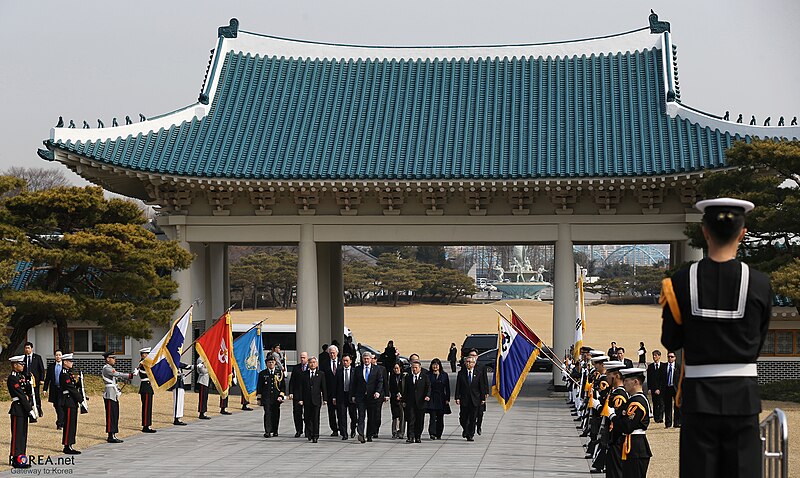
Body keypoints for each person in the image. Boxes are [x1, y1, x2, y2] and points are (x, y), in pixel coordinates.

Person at [661, 197, 771, 478]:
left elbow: (670, 341)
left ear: (705, 231)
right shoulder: (760, 283)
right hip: (743, 399)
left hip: (699, 399)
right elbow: (758, 342)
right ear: (743, 233)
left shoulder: (680, 282)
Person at [617, 368, 652, 478]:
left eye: (626, 381)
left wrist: (612, 416)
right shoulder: (633, 399)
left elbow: (627, 426)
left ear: (636, 382)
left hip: (636, 447)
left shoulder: (637, 401)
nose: (624, 383)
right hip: (632, 446)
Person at [7, 355, 36, 469]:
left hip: (23, 409)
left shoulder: (21, 376)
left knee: (23, 435)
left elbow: (28, 393)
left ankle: (21, 457)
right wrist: (30, 410)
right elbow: (20, 395)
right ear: (15, 365)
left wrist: (30, 383)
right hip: (18, 408)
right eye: (21, 364)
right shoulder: (12, 378)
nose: (23, 366)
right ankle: (15, 458)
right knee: (17, 435)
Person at [101, 352, 133, 443]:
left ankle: (113, 433)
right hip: (110, 394)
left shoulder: (110, 368)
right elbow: (117, 374)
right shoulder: (107, 368)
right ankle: (111, 435)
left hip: (113, 393)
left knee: (115, 414)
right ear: (107, 359)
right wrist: (130, 375)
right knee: (111, 415)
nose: (114, 359)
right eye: (113, 357)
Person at [455, 356, 488, 441]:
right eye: (467, 362)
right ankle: (465, 429)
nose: (468, 364)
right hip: (464, 398)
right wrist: (457, 397)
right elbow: (458, 386)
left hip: (475, 399)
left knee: (473, 418)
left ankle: (470, 434)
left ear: (474, 364)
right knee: (463, 417)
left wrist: (483, 398)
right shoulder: (461, 373)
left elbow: (481, 387)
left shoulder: (478, 373)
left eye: (470, 362)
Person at [353, 351, 383, 443]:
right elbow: (354, 383)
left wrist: (378, 392)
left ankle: (369, 435)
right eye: (364, 358)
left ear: (371, 359)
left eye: (368, 359)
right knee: (361, 416)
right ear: (362, 359)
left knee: (371, 416)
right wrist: (353, 395)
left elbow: (380, 381)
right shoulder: (358, 369)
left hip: (372, 397)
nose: (366, 360)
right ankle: (361, 434)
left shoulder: (377, 369)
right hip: (361, 396)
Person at [59, 354, 84, 455]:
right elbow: (71, 389)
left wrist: (80, 381)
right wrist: (81, 400)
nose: (72, 363)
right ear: (65, 362)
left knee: (72, 424)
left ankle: (70, 444)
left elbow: (74, 386)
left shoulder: (69, 373)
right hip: (68, 401)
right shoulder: (64, 374)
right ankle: (67, 445)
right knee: (69, 424)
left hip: (72, 401)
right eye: (70, 361)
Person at [256, 355, 286, 438]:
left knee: (276, 414)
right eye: (269, 362)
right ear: (266, 364)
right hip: (266, 397)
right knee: (267, 414)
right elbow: (259, 386)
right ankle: (267, 431)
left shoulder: (279, 373)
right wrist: (259, 398)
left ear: (275, 363)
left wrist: (281, 396)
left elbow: (283, 386)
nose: (271, 364)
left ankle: (275, 430)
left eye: (272, 362)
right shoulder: (263, 373)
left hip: (276, 398)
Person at [299, 356, 326, 443]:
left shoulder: (321, 374)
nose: (312, 364)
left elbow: (323, 387)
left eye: (314, 362)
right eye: (311, 362)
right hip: (307, 400)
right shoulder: (304, 374)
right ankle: (309, 432)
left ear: (317, 364)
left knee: (315, 418)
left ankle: (315, 435)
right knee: (307, 418)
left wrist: (325, 398)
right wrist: (300, 399)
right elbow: (301, 388)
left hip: (316, 400)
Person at [402, 361, 431, 443]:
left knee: (419, 420)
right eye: (413, 368)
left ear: (420, 368)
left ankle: (418, 436)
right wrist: (404, 400)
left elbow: (428, 387)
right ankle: (410, 436)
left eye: (416, 368)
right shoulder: (408, 377)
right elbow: (406, 390)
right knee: (411, 419)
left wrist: (427, 396)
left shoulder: (425, 377)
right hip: (411, 402)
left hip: (421, 402)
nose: (414, 369)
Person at [333, 354, 357, 440]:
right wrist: (334, 397)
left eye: (347, 361)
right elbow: (335, 385)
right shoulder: (339, 371)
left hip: (351, 397)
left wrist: (355, 396)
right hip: (341, 396)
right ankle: (344, 433)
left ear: (350, 361)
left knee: (353, 415)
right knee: (342, 415)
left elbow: (357, 385)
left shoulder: (355, 371)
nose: (345, 362)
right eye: (344, 361)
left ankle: (353, 429)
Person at [426, 358, 450, 440]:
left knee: (440, 417)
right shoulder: (428, 375)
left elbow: (447, 388)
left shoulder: (444, 375)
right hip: (432, 397)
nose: (435, 366)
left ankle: (439, 433)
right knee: (432, 416)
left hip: (441, 398)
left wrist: (447, 398)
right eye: (433, 364)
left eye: (437, 364)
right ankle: (432, 433)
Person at [134, 347, 157, 433]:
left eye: (148, 354)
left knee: (148, 406)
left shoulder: (144, 363)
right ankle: (146, 426)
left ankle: (147, 424)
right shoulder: (143, 363)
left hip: (147, 386)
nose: (147, 355)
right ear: (143, 355)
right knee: (147, 407)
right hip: (146, 386)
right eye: (146, 354)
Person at [466, 349, 488, 434]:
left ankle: (478, 426)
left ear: (477, 357)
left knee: (480, 413)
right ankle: (469, 429)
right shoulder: (467, 365)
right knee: (469, 414)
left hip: (479, 394)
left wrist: (485, 392)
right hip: (469, 395)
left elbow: (484, 381)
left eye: (474, 355)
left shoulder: (481, 366)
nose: (472, 357)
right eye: (470, 355)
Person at [322, 344, 342, 436]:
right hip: (329, 392)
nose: (332, 355)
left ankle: (342, 428)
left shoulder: (342, 363)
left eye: (333, 353)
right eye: (330, 353)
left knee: (341, 412)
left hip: (340, 392)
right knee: (331, 412)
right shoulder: (325, 363)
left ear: (337, 353)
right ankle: (334, 429)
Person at [288, 351, 309, 437]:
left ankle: (308, 431)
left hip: (307, 393)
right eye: (301, 358)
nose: (302, 359)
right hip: (297, 393)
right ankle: (298, 430)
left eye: (304, 357)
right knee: (297, 413)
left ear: (307, 358)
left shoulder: (310, 367)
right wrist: (291, 392)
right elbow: (292, 381)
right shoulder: (296, 368)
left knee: (308, 413)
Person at [43, 349, 65, 430]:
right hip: (54, 389)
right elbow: (47, 379)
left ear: (62, 356)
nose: (58, 356)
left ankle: (60, 423)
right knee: (56, 405)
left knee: (60, 405)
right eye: (56, 355)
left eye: (59, 355)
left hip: (62, 389)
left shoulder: (65, 366)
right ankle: (62, 420)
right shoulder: (51, 366)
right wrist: (45, 389)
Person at [22, 342, 45, 418]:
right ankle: (29, 410)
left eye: (28, 348)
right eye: (26, 348)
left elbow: (41, 369)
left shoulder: (37, 357)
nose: (27, 349)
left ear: (31, 348)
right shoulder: (23, 358)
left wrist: (42, 379)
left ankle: (39, 409)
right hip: (26, 379)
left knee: (36, 395)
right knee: (28, 394)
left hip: (35, 380)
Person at [370, 353, 389, 438]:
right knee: (371, 413)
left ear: (376, 359)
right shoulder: (366, 368)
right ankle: (371, 430)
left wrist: (387, 394)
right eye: (371, 358)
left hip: (379, 395)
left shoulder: (382, 369)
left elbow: (385, 382)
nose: (372, 360)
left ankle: (376, 430)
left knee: (377, 413)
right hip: (369, 395)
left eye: (373, 358)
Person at [170, 361, 193, 425]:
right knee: (177, 401)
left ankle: (179, 417)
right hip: (176, 384)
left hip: (180, 384)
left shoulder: (177, 362)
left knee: (180, 401)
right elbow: (185, 366)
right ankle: (176, 418)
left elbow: (186, 366)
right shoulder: (173, 362)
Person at [661, 352, 681, 428]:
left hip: (676, 389)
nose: (670, 358)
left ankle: (677, 423)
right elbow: (661, 379)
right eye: (668, 356)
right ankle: (668, 423)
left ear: (675, 358)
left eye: (672, 357)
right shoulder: (664, 366)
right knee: (667, 406)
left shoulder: (678, 367)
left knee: (677, 406)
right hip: (667, 388)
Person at [388, 362, 406, 439]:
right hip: (394, 399)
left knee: (402, 416)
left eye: (397, 368)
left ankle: (401, 432)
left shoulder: (404, 376)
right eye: (395, 368)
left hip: (402, 399)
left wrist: (402, 395)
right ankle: (394, 431)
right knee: (395, 416)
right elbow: (390, 388)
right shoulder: (391, 377)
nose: (396, 370)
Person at [645, 350, 664, 423]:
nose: (654, 357)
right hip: (653, 389)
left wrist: (659, 389)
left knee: (662, 403)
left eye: (656, 355)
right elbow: (650, 379)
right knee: (655, 403)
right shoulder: (650, 367)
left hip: (661, 389)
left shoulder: (663, 366)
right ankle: (656, 418)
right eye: (653, 355)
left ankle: (660, 417)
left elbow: (663, 379)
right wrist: (650, 388)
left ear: (659, 356)